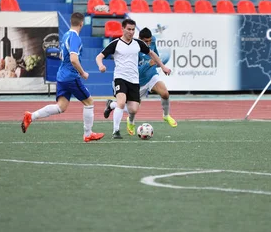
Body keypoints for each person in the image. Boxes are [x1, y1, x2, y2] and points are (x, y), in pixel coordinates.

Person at [20, 13, 104, 142]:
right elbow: (74, 59)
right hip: (71, 77)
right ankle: (88, 134)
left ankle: (31, 116)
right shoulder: (75, 37)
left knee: (61, 107)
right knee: (89, 102)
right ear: (81, 24)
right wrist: (82, 73)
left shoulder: (65, 35)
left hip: (61, 76)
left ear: (71, 22)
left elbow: (62, 56)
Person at [95, 18, 171, 139]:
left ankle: (111, 105)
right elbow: (99, 56)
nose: (131, 32)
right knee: (121, 102)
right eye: (129, 29)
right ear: (123, 29)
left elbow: (152, 54)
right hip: (120, 78)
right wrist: (101, 65)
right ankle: (116, 131)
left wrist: (163, 66)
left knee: (133, 110)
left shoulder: (138, 43)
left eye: (133, 30)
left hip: (134, 80)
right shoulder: (116, 43)